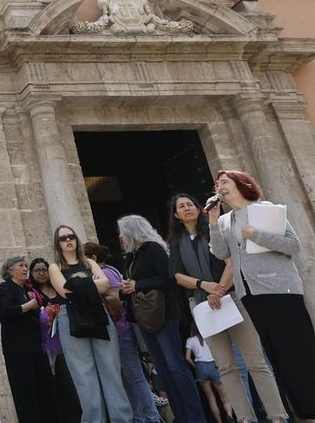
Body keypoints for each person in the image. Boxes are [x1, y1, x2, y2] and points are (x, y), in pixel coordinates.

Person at [167, 192, 286, 422]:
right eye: (181, 206)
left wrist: (219, 289)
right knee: (225, 366)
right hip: (202, 304)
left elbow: (232, 261)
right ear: (176, 215)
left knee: (255, 360)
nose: (187, 208)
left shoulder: (216, 229)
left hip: (232, 297)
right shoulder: (175, 243)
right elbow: (178, 276)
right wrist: (205, 286)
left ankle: (277, 416)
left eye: (190, 204)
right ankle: (244, 418)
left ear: (198, 207)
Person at [208, 169, 315, 419]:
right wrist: (213, 221)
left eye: (224, 182)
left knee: (299, 349)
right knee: (277, 353)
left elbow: (293, 246)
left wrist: (256, 235)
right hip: (251, 295)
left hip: (280, 289)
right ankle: (305, 409)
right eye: (217, 184)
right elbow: (221, 253)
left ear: (241, 184)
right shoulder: (226, 220)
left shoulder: (264, 208)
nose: (219, 187)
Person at [116, 214, 204, 423]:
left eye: (122, 231)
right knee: (163, 369)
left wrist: (138, 285)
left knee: (175, 365)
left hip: (163, 314)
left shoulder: (152, 249)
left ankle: (195, 417)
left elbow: (168, 279)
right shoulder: (132, 256)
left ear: (131, 230)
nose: (120, 236)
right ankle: (181, 415)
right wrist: (126, 289)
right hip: (145, 317)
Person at [49, 224, 133, 423]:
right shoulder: (55, 267)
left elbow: (104, 285)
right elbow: (64, 292)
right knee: (83, 374)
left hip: (97, 314)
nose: (68, 240)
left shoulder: (88, 262)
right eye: (63, 238)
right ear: (57, 244)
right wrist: (90, 284)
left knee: (110, 369)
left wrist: (78, 284)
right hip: (70, 316)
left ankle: (122, 419)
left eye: (71, 236)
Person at [83, 241, 160, 423]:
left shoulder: (106, 273)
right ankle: (140, 416)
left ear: (93, 258)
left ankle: (149, 417)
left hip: (120, 330)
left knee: (133, 376)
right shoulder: (109, 271)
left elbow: (117, 299)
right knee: (126, 377)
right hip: (118, 331)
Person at [0, 254, 60, 423]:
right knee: (26, 391)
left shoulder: (28, 289)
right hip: (18, 349)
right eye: (21, 265)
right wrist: (27, 306)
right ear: (10, 271)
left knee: (44, 388)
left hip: (35, 346)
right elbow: (5, 312)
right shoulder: (5, 288)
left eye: (26, 265)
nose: (25, 269)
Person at [28, 256, 82, 422]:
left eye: (44, 269)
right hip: (47, 344)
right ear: (32, 273)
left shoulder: (59, 288)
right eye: (37, 270)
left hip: (67, 338)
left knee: (71, 380)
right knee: (56, 381)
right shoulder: (33, 293)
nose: (42, 273)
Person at [184, 328, 233, 421]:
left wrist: (195, 367)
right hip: (213, 365)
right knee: (224, 396)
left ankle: (219, 421)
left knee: (210, 398)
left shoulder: (190, 340)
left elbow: (187, 358)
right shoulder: (210, 336)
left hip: (200, 367)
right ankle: (229, 415)